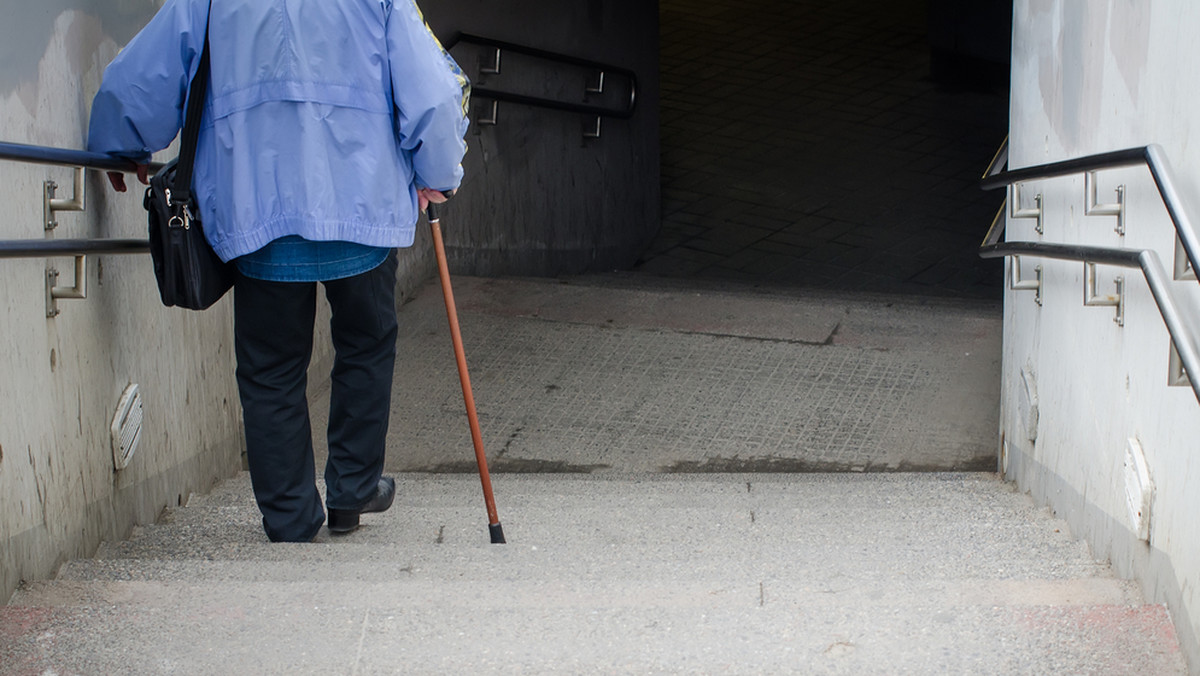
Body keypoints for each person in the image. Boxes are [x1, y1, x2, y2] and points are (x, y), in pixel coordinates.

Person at [87, 0, 470, 542]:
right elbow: (430, 90)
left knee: (270, 367)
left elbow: (153, 66)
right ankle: (353, 487)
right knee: (366, 342)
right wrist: (440, 172)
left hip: (260, 204)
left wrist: (115, 138)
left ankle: (290, 517)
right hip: (360, 206)